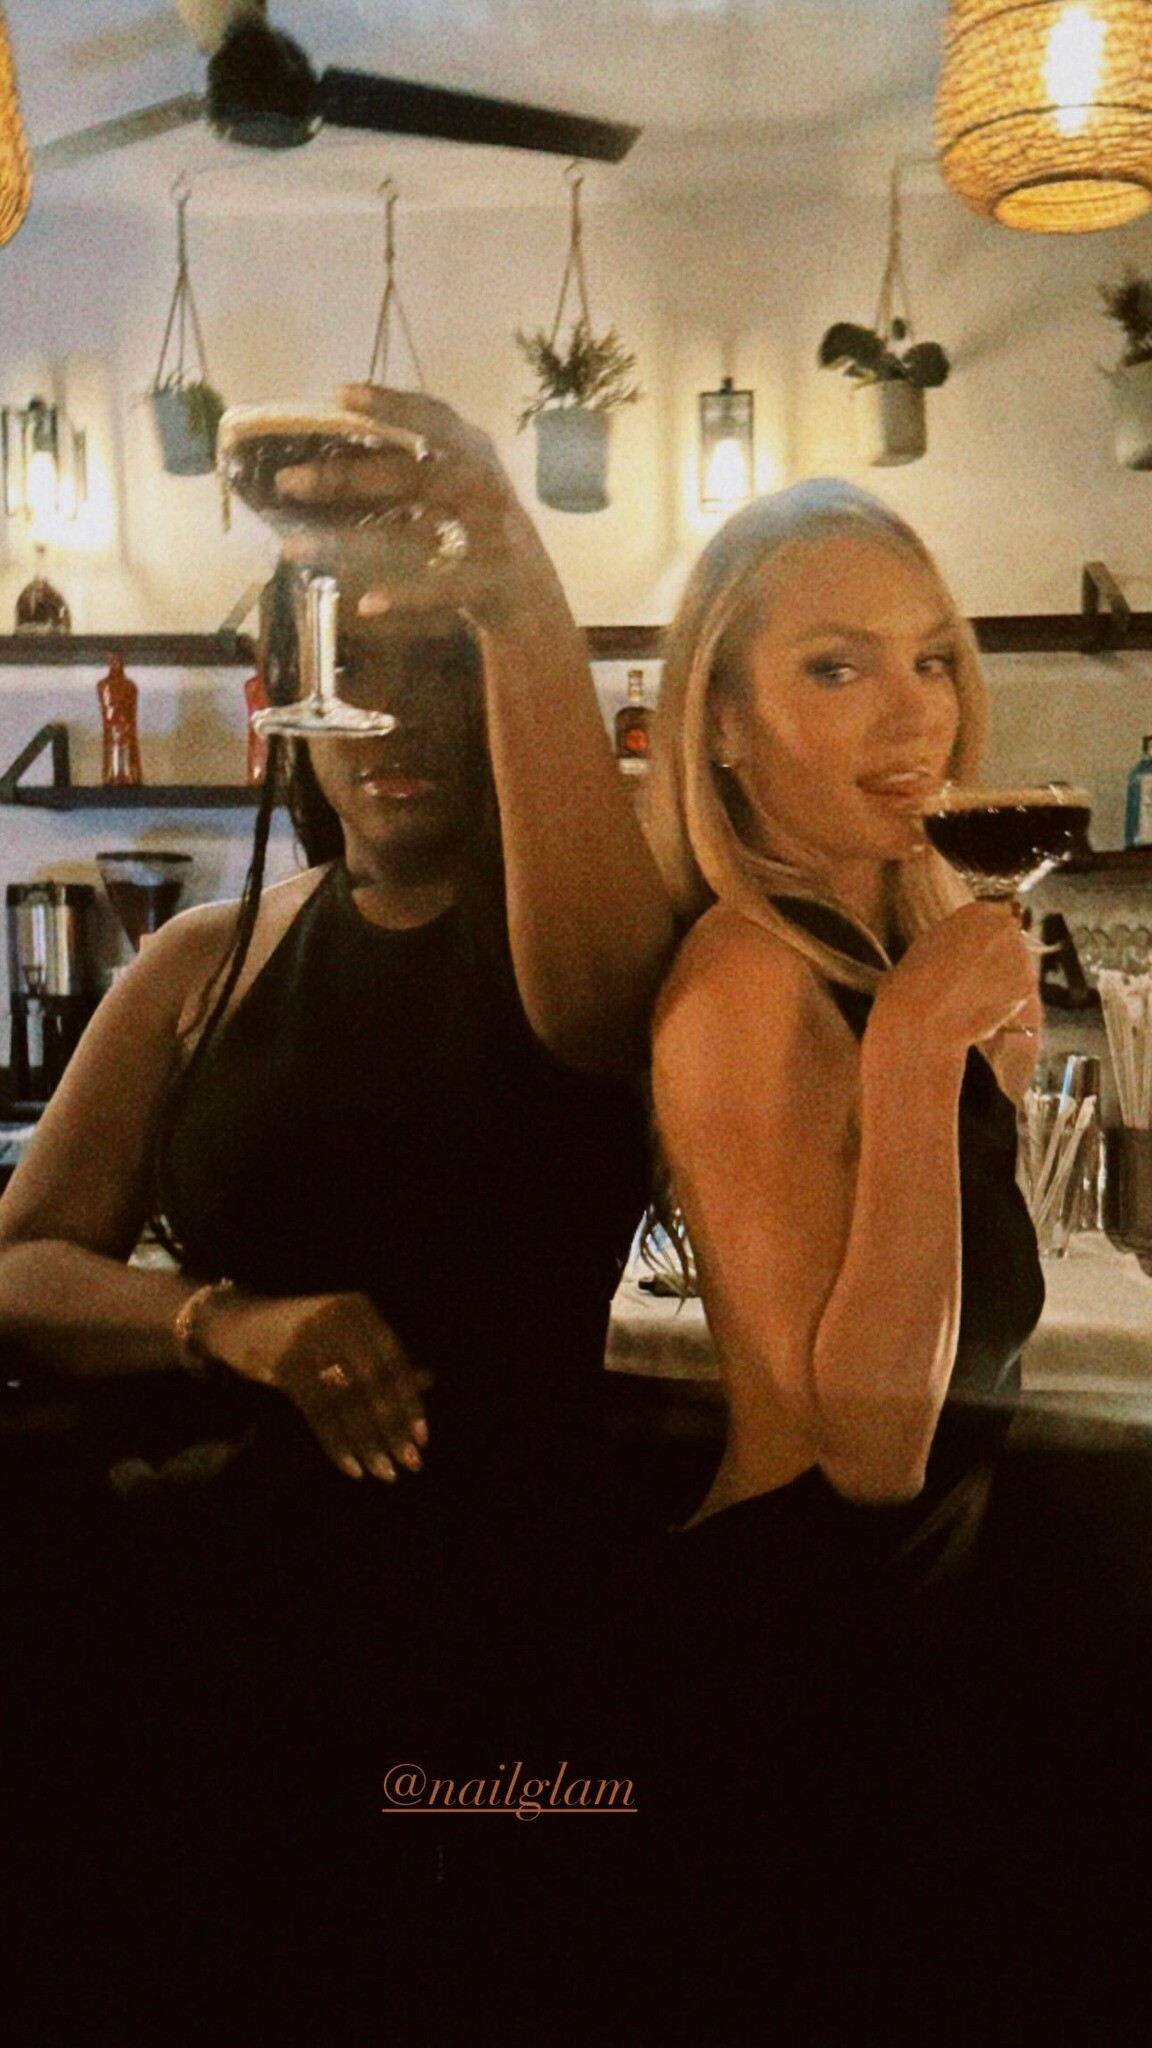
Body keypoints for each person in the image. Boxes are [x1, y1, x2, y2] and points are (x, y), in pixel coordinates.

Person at [0, 388, 673, 2041]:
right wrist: (224, 1321)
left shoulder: (598, 938)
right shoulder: (203, 961)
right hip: (223, 1624)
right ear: (285, 709)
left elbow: (599, 1008)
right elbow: (18, 1266)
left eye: (439, 663)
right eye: (347, 670)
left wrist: (503, 559)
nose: (394, 718)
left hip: (515, 1632)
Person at [622, 475, 1123, 2033]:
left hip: (916, 1637)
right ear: (719, 722)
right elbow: (869, 1446)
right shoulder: (749, 985)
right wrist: (911, 1061)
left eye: (930, 659)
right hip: (804, 1662)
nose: (915, 714)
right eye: (835, 667)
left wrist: (959, 1060)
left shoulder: (873, 950)